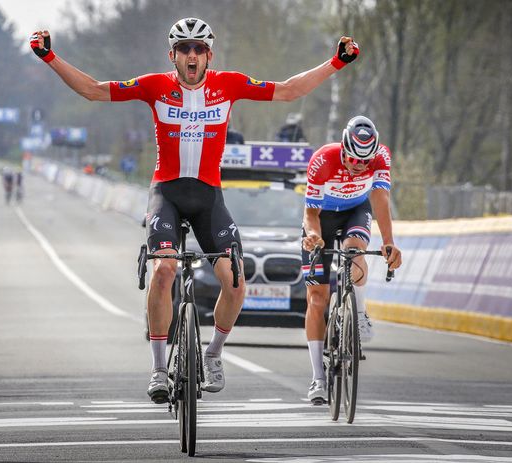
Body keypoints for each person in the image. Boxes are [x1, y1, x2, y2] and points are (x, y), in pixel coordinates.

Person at [30, 18, 360, 403]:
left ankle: (214, 354)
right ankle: (157, 369)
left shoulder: (228, 85)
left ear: (209, 56)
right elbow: (93, 90)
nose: (191, 55)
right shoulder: (155, 86)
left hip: (208, 197)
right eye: (184, 48)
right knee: (165, 269)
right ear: (172, 55)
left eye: (199, 49)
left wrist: (335, 63)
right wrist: (49, 56)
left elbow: (288, 91)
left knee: (236, 284)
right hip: (166, 193)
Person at [301, 115, 402, 404]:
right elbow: (311, 213)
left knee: (355, 255)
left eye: (364, 163)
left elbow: (381, 198)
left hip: (356, 211)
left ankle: (359, 314)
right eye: (353, 160)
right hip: (322, 218)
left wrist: (389, 242)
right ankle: (318, 378)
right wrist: (314, 237)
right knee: (317, 298)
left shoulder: (381, 157)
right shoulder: (323, 160)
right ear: (344, 148)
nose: (357, 166)